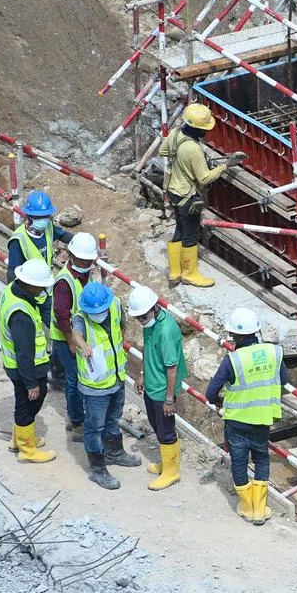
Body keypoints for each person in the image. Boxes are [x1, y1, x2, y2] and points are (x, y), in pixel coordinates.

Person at [206, 307, 287, 525]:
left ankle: (247, 506)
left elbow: (211, 392)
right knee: (261, 458)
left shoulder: (232, 360)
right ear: (256, 331)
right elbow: (284, 380)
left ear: (235, 335)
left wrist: (218, 402)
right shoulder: (274, 352)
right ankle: (260, 508)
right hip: (263, 418)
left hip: (237, 420)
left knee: (239, 461)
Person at [158, 103, 242, 288]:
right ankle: (189, 273)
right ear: (196, 128)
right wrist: (225, 165)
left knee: (180, 228)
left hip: (173, 191)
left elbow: (163, 151)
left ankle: (175, 272)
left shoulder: (176, 134)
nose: (206, 132)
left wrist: (181, 160)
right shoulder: (193, 149)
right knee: (190, 234)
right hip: (187, 195)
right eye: (204, 129)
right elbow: (204, 178)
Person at [72, 281, 141, 490]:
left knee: (113, 419)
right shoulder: (80, 318)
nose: (98, 314)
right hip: (95, 387)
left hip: (116, 378)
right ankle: (97, 470)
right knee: (94, 427)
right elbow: (76, 334)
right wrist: (83, 345)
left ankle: (115, 452)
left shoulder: (115, 304)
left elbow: (121, 327)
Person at [127, 285, 188, 491]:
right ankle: (166, 462)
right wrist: (142, 374)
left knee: (166, 430)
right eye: (139, 318)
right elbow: (148, 351)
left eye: (143, 317)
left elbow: (172, 367)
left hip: (163, 390)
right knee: (157, 425)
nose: (141, 321)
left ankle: (172, 472)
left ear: (154, 307)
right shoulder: (150, 325)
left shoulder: (166, 330)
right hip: (152, 385)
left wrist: (169, 398)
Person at [0, 259, 57, 464]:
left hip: (15, 366)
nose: (42, 290)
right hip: (25, 368)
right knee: (29, 404)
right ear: (30, 285)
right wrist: (31, 382)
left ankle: (19, 439)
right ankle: (27, 449)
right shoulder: (21, 314)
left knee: (22, 403)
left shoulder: (11, 291)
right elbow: (24, 352)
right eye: (40, 286)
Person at [50, 232, 98, 442]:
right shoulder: (64, 282)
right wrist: (71, 340)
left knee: (77, 378)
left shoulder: (84, 274)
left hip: (77, 335)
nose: (86, 263)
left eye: (89, 260)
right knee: (74, 379)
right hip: (65, 337)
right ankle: (77, 422)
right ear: (71, 255)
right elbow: (61, 314)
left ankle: (77, 417)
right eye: (82, 259)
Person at [7, 190, 74, 324]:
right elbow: (12, 274)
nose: (42, 220)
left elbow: (63, 235)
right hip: (29, 292)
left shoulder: (48, 228)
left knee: (56, 326)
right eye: (38, 217)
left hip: (47, 290)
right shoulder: (19, 240)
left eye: (45, 216)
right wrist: (17, 300)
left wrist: (80, 242)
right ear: (29, 216)